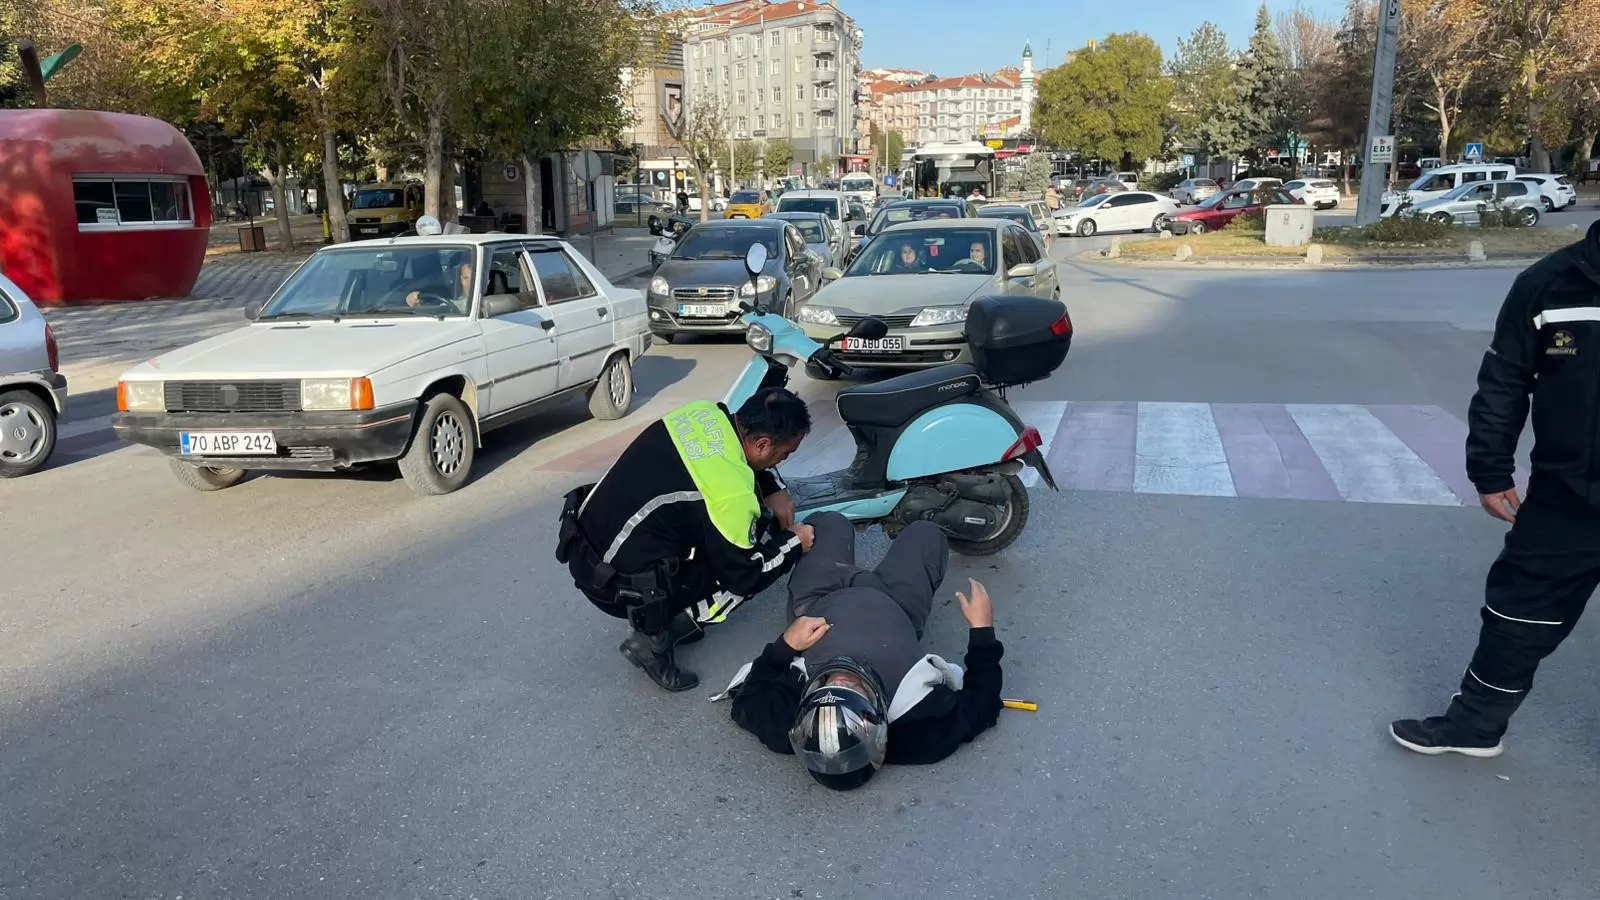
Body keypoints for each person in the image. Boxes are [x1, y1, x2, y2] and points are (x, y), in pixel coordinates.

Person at [1391, 220, 1600, 758]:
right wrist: (1490, 468)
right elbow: (1505, 380)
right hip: (1568, 495)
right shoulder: (1550, 282)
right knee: (1518, 616)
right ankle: (1475, 726)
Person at [713, 512, 1006, 790]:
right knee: (927, 533)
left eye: (827, 687)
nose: (841, 678)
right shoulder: (922, 734)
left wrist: (785, 646)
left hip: (821, 597)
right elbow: (982, 706)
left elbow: (747, 702)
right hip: (898, 604)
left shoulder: (787, 726)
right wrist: (982, 631)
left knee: (830, 523)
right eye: (853, 689)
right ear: (878, 719)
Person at [556, 389, 817, 692]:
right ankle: (653, 640)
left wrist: (772, 486)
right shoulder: (730, 493)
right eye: (784, 454)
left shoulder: (703, 413)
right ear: (762, 445)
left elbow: (731, 460)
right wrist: (794, 541)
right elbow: (746, 575)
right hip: (610, 585)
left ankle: (667, 611)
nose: (782, 461)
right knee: (741, 568)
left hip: (584, 543)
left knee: (735, 521)